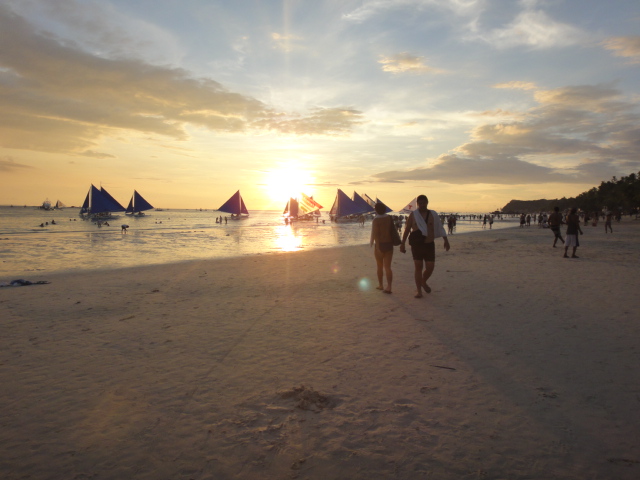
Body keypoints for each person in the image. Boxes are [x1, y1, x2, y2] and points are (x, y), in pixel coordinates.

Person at [400, 195, 450, 298]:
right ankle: (419, 291)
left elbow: (440, 227)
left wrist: (446, 240)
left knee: (430, 267)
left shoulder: (433, 214)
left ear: (427, 202)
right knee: (418, 267)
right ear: (417, 204)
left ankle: (423, 281)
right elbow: (407, 229)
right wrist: (402, 243)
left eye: (424, 203)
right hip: (417, 245)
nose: (422, 205)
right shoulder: (414, 215)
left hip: (429, 244)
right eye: (420, 203)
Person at [370, 203, 395, 293]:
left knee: (379, 266)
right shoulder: (389, 218)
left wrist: (378, 247)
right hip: (389, 244)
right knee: (388, 267)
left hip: (381, 245)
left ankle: (381, 285)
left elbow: (376, 234)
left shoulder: (376, 220)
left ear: (376, 210)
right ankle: (389, 286)